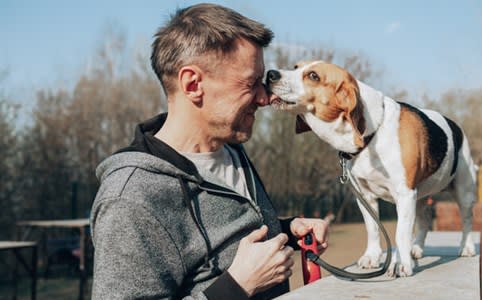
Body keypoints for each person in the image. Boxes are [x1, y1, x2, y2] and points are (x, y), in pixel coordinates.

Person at [90, 3, 329, 300]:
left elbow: (222, 245)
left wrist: (287, 230)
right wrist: (236, 286)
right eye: (251, 83)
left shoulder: (230, 148)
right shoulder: (131, 199)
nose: (265, 98)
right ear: (193, 84)